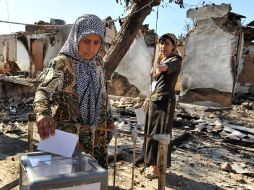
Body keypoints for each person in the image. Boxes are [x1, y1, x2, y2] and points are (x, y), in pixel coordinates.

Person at [33, 14, 114, 169]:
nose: (91, 48)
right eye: (86, 41)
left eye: (96, 42)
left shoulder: (98, 63)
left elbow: (103, 93)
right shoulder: (61, 64)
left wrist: (109, 118)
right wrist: (43, 114)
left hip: (96, 136)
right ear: (76, 37)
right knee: (65, 181)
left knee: (93, 180)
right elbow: (43, 92)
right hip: (67, 140)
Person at [135, 33, 182, 178]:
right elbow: (154, 84)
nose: (163, 46)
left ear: (173, 46)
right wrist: (147, 98)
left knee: (160, 133)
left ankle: (156, 166)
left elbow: (167, 67)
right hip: (154, 100)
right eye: (161, 43)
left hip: (164, 102)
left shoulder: (176, 59)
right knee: (149, 131)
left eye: (167, 43)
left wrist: (158, 66)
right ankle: (147, 160)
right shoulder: (161, 60)